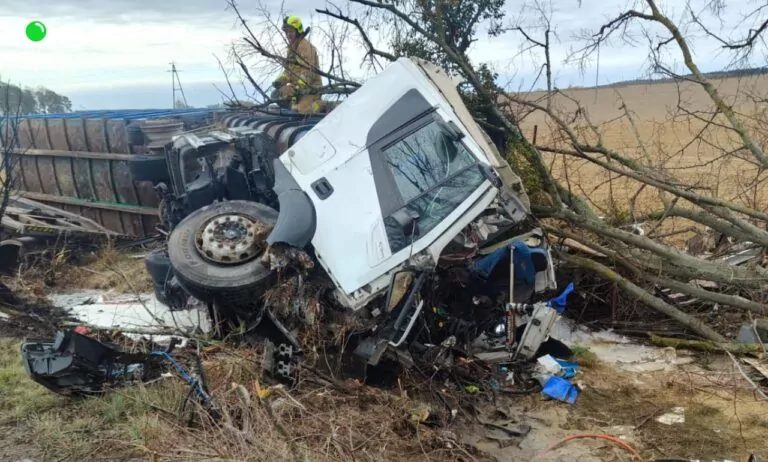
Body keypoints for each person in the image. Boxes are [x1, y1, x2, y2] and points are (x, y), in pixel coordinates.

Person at [272, 15, 323, 114]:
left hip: (310, 89)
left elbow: (308, 70)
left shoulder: (305, 47)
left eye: (290, 31)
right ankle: (295, 106)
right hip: (297, 88)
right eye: (286, 32)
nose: (288, 34)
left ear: (297, 30)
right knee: (276, 95)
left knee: (301, 111)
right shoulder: (291, 49)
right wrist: (280, 81)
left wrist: (300, 85)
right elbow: (288, 71)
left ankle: (321, 105)